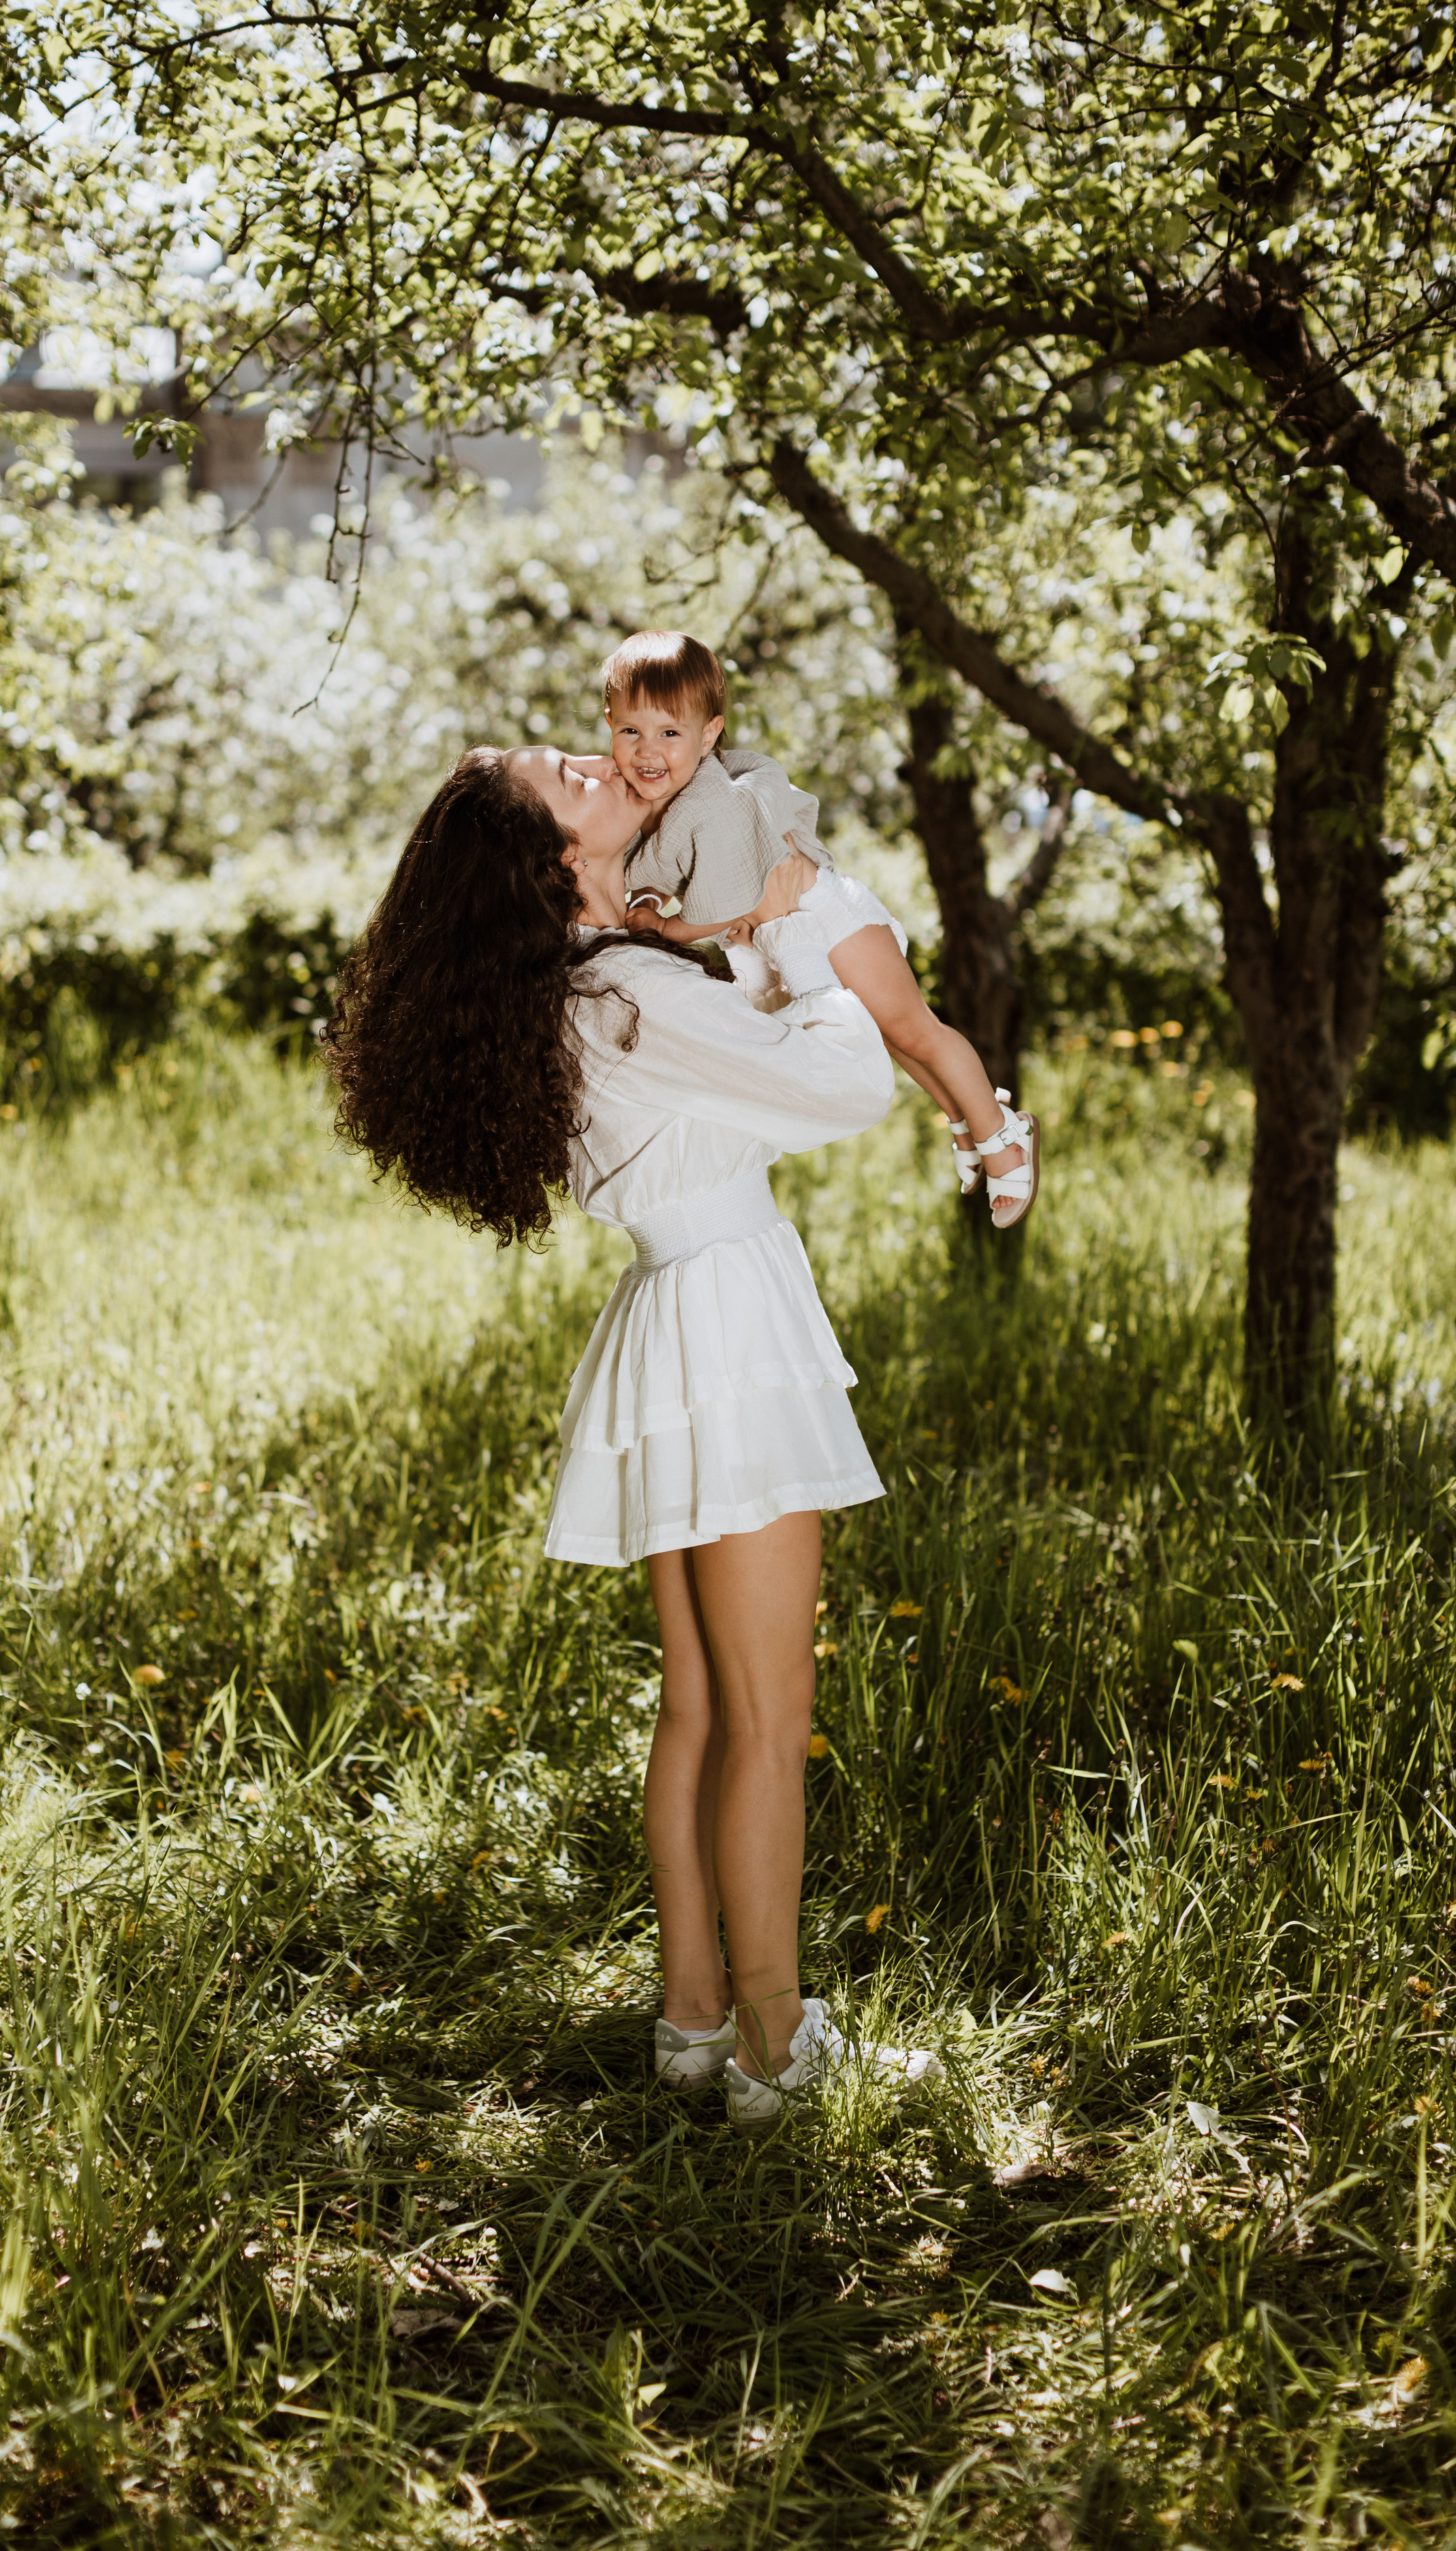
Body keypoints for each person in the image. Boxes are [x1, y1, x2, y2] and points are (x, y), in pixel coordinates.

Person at [328, 744, 929, 2131]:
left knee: (700, 1708)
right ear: (554, 860)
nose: (599, 761)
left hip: (672, 1320)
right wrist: (799, 938)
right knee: (767, 1713)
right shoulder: (633, 995)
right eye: (565, 776)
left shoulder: (588, 992)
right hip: (727, 1326)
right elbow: (845, 1089)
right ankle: (775, 2049)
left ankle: (693, 2020)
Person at [609, 630, 1040, 1229]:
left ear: (708, 735)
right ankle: (965, 1122)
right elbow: (661, 865)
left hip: (830, 918)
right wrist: (650, 892)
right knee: (893, 1040)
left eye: (669, 734)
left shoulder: (712, 800)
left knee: (917, 1030)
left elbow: (723, 900)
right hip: (797, 930)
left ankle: (1005, 1134)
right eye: (631, 730)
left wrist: (666, 927)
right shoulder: (655, 800)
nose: (647, 751)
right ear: (609, 724)